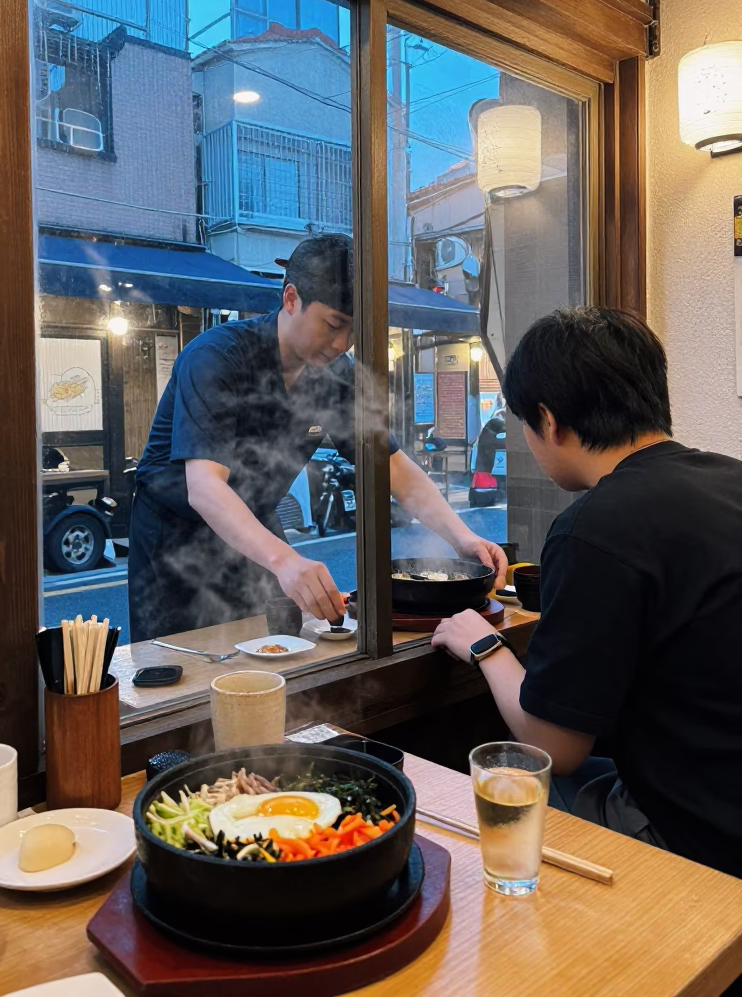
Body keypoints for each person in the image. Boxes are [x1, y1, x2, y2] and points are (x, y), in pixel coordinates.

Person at [431, 306, 742, 879]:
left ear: (549, 422)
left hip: (699, 840)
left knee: (491, 784)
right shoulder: (730, 479)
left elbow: (557, 747)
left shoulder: (596, 528)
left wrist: (485, 646)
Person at [129, 233, 507, 641]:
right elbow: (205, 488)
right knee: (178, 663)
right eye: (334, 325)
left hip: (255, 525)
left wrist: (462, 537)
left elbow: (391, 466)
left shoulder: (336, 376)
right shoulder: (217, 357)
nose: (342, 344)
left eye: (354, 330)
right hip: (175, 538)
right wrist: (286, 560)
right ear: (291, 298)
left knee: (273, 650)